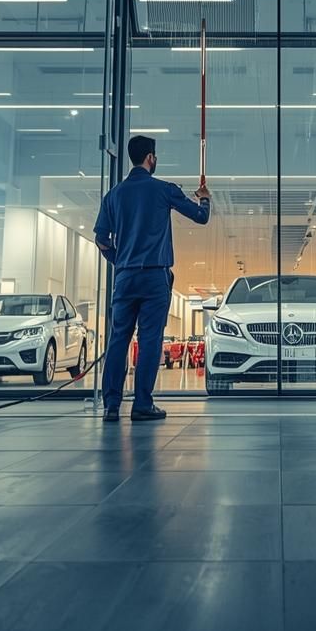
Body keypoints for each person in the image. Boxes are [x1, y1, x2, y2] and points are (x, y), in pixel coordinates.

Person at [93, 135, 210, 423]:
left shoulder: (114, 195)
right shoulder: (163, 190)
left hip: (125, 278)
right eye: (155, 156)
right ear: (150, 158)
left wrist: (119, 262)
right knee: (149, 341)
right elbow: (200, 217)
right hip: (154, 277)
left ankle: (111, 406)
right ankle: (142, 404)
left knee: (119, 339)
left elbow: (101, 240)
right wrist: (204, 199)